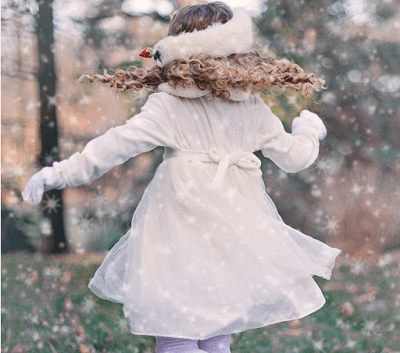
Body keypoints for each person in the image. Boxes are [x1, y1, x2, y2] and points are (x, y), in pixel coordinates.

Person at [22, 2, 342, 352]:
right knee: (218, 316)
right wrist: (308, 130)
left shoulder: (170, 103)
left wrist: (59, 174)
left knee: (177, 317)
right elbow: (295, 157)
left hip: (178, 223)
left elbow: (114, 146)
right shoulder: (251, 105)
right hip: (235, 222)